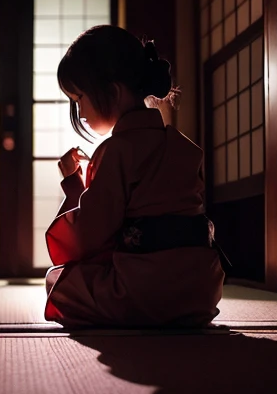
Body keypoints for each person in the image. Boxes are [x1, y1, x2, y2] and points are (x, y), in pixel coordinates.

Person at [44, 25, 225, 328]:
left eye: (80, 98)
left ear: (112, 91)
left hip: (144, 291)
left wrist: (74, 184)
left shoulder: (115, 151)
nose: (80, 111)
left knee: (57, 282)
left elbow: (89, 238)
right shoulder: (186, 148)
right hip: (200, 292)